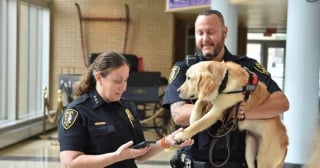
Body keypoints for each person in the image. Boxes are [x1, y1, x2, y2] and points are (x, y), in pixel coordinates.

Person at [162, 9, 289, 167]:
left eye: (211, 32)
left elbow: (281, 103)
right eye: (199, 33)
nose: (205, 38)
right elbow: (179, 114)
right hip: (197, 161)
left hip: (238, 161)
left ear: (224, 32)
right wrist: (224, 109)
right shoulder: (184, 68)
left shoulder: (247, 67)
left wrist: (242, 113)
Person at [58, 51, 194, 168]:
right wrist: (116, 157)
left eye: (126, 80)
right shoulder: (77, 112)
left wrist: (166, 141)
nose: (123, 87)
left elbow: (140, 153)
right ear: (99, 77)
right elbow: (70, 162)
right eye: (118, 81)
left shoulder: (127, 107)